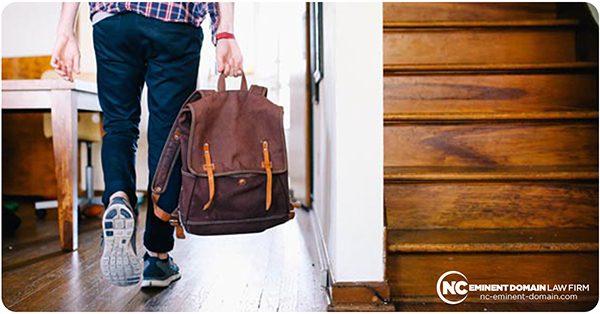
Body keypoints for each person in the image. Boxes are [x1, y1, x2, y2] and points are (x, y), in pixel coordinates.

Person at [51, 2, 243, 288]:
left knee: (118, 124)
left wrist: (65, 31)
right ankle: (157, 255)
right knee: (168, 138)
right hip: (175, 21)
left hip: (113, 21)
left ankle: (117, 195)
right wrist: (224, 32)